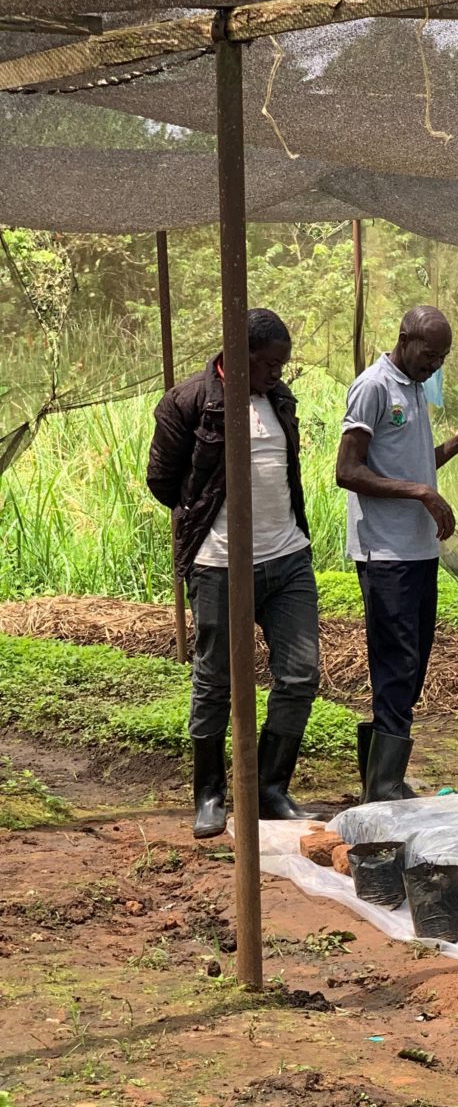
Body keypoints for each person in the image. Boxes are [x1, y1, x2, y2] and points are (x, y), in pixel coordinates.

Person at [146, 308, 320, 838]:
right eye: (269, 363)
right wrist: (210, 522)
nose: (277, 373)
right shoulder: (189, 402)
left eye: (281, 365)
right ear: (238, 354)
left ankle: (269, 788)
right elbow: (163, 480)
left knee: (300, 673)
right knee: (215, 679)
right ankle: (210, 793)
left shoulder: (278, 399)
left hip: (287, 558)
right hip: (219, 564)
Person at [337, 305, 458, 802]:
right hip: (385, 552)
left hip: (417, 552)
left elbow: (414, 465)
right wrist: (422, 495)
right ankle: (383, 785)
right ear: (404, 339)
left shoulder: (413, 390)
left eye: (442, 358)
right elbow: (349, 470)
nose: (434, 365)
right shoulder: (374, 387)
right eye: (429, 354)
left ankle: (379, 776)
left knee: (413, 662)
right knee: (396, 662)